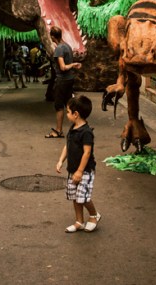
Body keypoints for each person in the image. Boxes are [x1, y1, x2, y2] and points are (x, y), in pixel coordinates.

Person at [54, 95, 100, 233]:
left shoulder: (86, 132)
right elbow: (67, 145)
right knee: (75, 196)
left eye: (68, 112)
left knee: (83, 197)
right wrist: (60, 160)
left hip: (85, 171)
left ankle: (94, 216)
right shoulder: (73, 128)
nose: (67, 114)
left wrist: (80, 171)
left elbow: (87, 153)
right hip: (72, 169)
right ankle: (79, 221)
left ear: (76, 114)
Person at [45, 26, 81, 138]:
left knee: (59, 106)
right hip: (69, 79)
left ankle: (58, 130)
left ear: (52, 37)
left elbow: (63, 67)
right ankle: (80, 127)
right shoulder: (67, 46)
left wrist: (73, 65)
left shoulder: (59, 48)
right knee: (69, 105)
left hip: (62, 80)